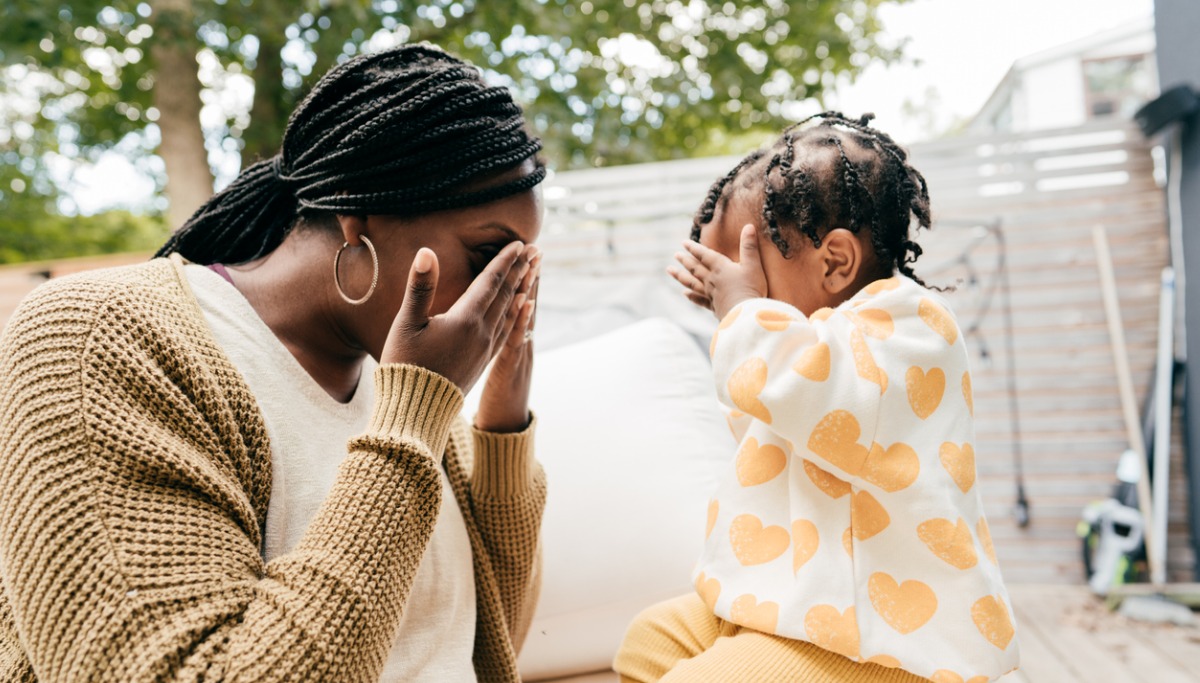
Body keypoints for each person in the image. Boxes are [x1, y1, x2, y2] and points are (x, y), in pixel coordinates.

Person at [0, 44, 547, 682]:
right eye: (488, 257)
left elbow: (481, 648)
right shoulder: (105, 337)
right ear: (355, 217)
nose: (504, 294)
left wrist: (503, 426)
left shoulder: (407, 388)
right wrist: (411, 420)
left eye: (522, 267)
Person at [615, 112, 1020, 682]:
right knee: (648, 642)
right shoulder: (797, 350)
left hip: (882, 640)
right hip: (793, 608)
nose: (741, 291)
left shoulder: (913, 327)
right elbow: (774, 405)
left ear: (834, 262)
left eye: (751, 270)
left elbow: (820, 397)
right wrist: (740, 311)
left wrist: (742, 313)